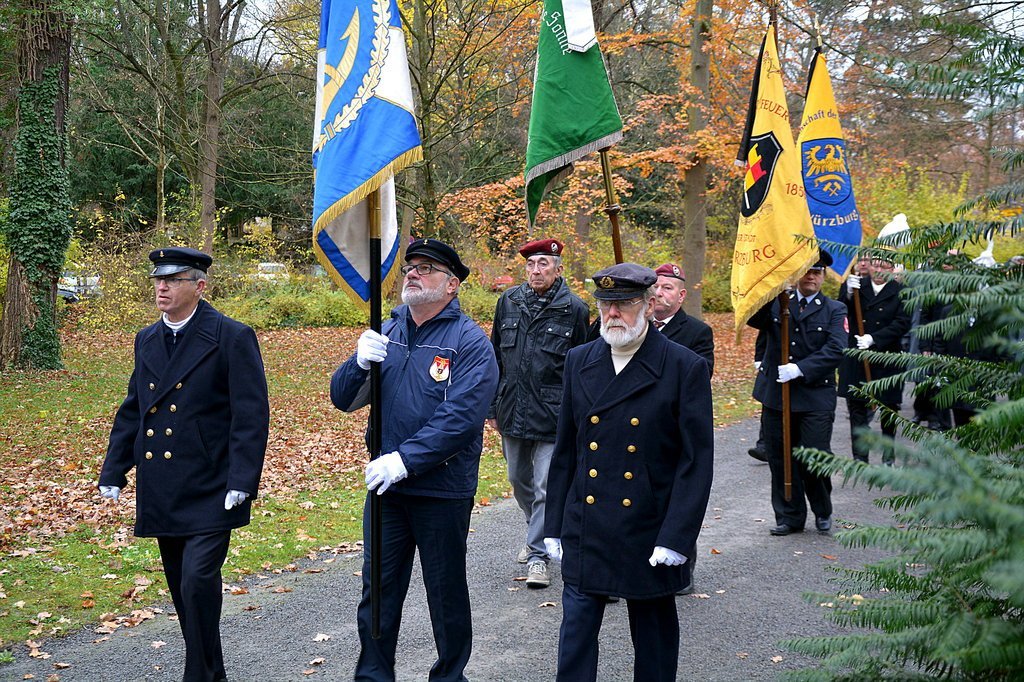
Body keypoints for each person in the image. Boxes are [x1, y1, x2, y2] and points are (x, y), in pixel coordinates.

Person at [98, 247, 270, 682]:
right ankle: (212, 674)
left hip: (213, 485)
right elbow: (136, 408)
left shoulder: (231, 335)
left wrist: (242, 479)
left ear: (199, 285)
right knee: (183, 591)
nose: (162, 287)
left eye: (173, 280)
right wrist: (114, 470)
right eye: (158, 279)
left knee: (197, 581)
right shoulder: (147, 338)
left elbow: (251, 413)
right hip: (165, 485)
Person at [330, 238, 498, 682]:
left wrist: (404, 460)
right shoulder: (387, 330)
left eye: (426, 268)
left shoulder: (471, 343)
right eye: (411, 267)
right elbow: (343, 399)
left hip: (441, 489)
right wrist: (358, 363)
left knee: (445, 593)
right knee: (378, 591)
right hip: (388, 490)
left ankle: (449, 676)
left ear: (451, 285)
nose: (413, 274)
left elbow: (460, 419)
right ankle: (373, 674)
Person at [544, 263, 714, 682]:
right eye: (606, 305)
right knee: (577, 632)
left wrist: (677, 538)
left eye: (623, 304)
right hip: (588, 523)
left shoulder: (682, 366)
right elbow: (566, 450)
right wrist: (553, 526)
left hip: (648, 527)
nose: (613, 314)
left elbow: (696, 463)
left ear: (649, 304)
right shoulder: (579, 360)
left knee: (653, 635)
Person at [487, 238, 589, 589]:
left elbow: (582, 366)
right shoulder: (509, 302)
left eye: (544, 264)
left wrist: (578, 413)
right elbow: (494, 357)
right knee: (518, 480)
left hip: (555, 412)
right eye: (531, 264)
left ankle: (537, 557)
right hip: (512, 407)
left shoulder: (575, 309)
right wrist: (492, 405)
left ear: (558, 268)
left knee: (547, 485)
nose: (536, 270)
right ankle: (540, 530)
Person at [747, 249, 846, 536]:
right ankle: (789, 516)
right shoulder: (780, 303)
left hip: (814, 394)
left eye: (817, 272)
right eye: (806, 271)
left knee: (814, 456)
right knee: (779, 457)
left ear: (823, 276)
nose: (811, 277)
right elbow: (753, 316)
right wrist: (775, 289)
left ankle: (822, 509)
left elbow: (836, 348)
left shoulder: (834, 309)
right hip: (778, 394)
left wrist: (801, 368)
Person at [837, 255, 911, 465]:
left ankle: (888, 457)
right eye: (874, 265)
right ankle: (860, 458)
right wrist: (848, 294)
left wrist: (874, 339)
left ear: (892, 268)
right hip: (858, 357)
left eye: (884, 265)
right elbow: (840, 313)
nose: (878, 269)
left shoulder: (901, 291)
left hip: (886, 358)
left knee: (888, 409)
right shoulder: (855, 286)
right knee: (857, 409)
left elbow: (902, 323)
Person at [651, 262, 715, 374]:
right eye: (655, 287)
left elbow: (701, 374)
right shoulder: (637, 325)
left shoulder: (697, 332)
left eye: (667, 288)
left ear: (681, 295)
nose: (658, 293)